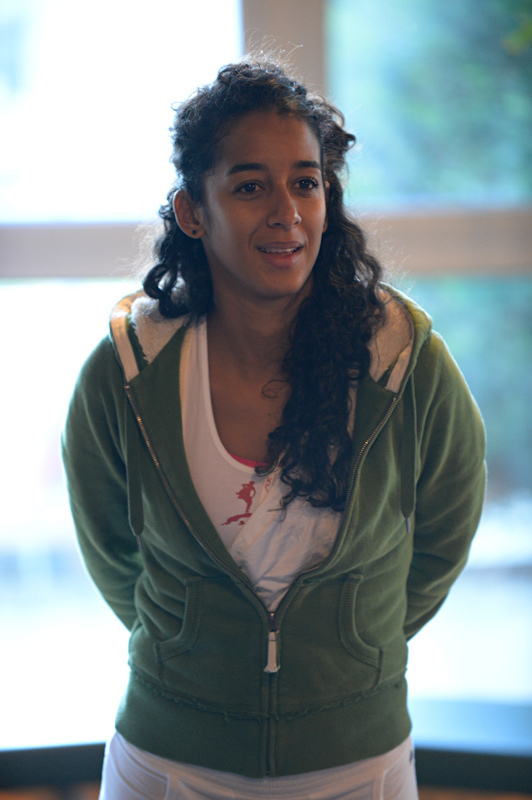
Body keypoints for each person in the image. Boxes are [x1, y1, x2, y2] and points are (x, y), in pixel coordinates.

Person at [62, 58, 486, 799]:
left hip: (358, 761)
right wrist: (192, 652)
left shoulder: (402, 361)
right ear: (193, 212)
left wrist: (353, 653)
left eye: (306, 182)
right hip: (169, 759)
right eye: (250, 186)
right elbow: (111, 549)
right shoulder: (127, 373)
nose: (287, 212)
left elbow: (446, 532)